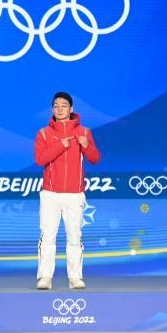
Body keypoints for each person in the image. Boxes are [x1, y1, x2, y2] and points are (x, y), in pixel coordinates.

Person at [34, 91, 101, 290]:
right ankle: (45, 278)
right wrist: (60, 146)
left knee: (74, 237)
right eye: (56, 106)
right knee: (48, 237)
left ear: (71, 108)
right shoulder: (44, 133)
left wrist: (86, 146)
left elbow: (95, 159)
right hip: (50, 194)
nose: (60, 109)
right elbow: (40, 159)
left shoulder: (84, 132)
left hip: (74, 194)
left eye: (64, 106)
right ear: (52, 109)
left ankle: (75, 278)